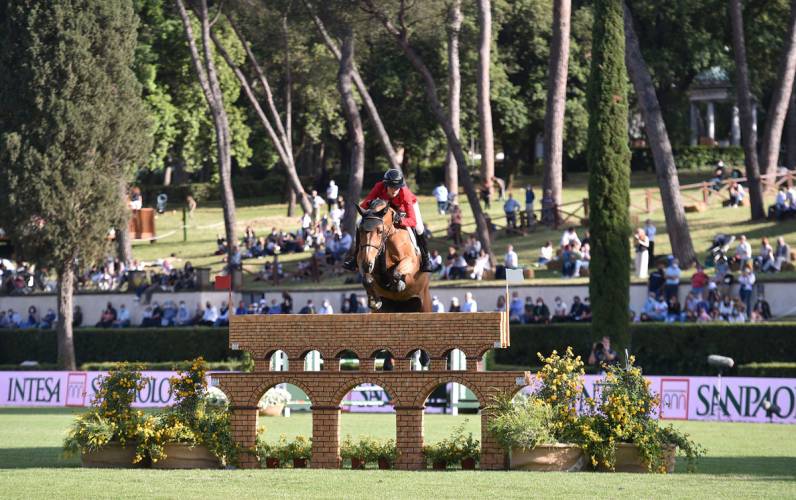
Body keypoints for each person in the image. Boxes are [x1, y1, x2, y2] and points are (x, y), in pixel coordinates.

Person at [343, 169, 432, 272]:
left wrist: (400, 221)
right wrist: (371, 203)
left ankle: (426, 259)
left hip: (404, 209)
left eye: (397, 187)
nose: (394, 190)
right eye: (391, 187)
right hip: (387, 211)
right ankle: (355, 258)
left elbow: (412, 220)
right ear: (386, 185)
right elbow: (364, 205)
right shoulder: (379, 187)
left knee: (419, 228)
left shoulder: (405, 194)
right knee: (359, 223)